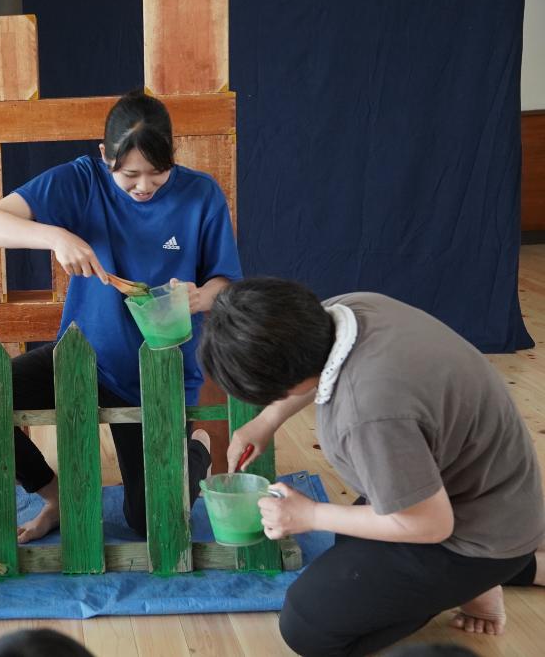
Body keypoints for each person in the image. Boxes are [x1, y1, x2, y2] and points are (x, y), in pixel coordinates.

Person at [198, 277, 545, 657]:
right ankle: (484, 582)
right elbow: (309, 370)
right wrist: (266, 420)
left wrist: (309, 515)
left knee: (307, 625)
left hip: (476, 532)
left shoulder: (368, 413)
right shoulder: (348, 310)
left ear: (283, 384)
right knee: (352, 542)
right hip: (493, 489)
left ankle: (484, 578)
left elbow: (430, 524)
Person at [0, 90, 243, 542]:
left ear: (173, 156)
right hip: (82, 357)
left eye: (158, 173)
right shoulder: (82, 180)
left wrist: (199, 297)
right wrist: (55, 237)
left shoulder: (201, 194)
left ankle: (197, 451)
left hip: (157, 372)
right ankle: (56, 498)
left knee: (151, 524)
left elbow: (225, 283)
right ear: (104, 156)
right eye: (130, 175)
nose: (144, 187)